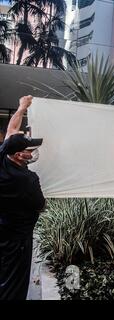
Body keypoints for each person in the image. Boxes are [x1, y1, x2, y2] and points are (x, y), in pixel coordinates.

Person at [0, 95, 46, 300]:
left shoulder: (3, 155)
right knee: (14, 280)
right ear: (18, 155)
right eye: (28, 150)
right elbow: (41, 205)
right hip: (17, 238)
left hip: (4, 226)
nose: (32, 152)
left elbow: (11, 129)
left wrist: (21, 107)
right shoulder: (27, 180)